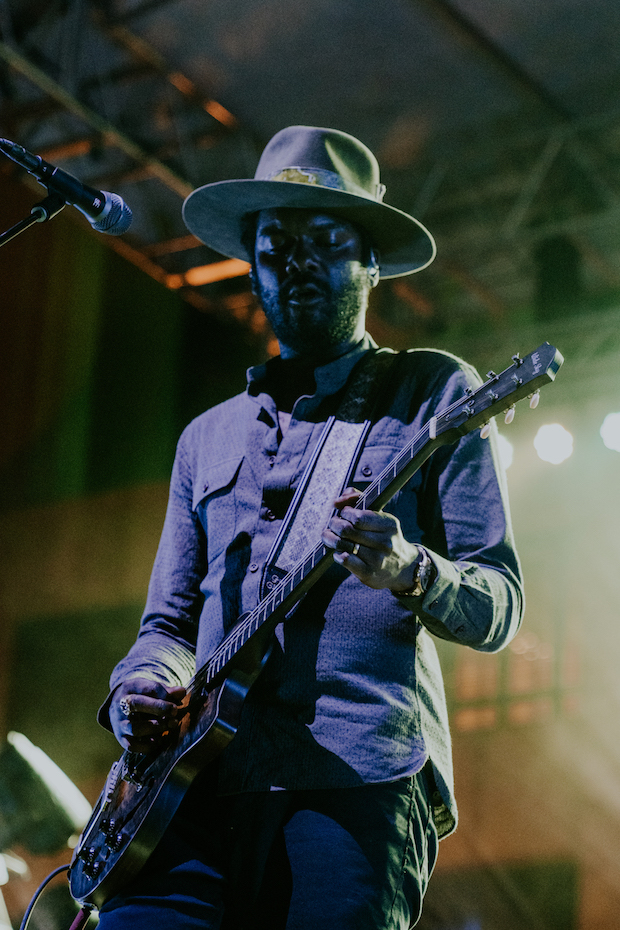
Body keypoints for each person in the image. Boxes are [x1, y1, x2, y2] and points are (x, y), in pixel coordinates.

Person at [96, 126, 524, 930]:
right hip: (202, 789)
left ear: (370, 263)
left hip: (358, 781)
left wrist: (410, 570)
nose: (296, 262)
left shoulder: (434, 390)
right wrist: (137, 688)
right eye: (274, 244)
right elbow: (165, 626)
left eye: (325, 240)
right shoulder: (206, 437)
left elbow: (499, 605)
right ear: (252, 265)